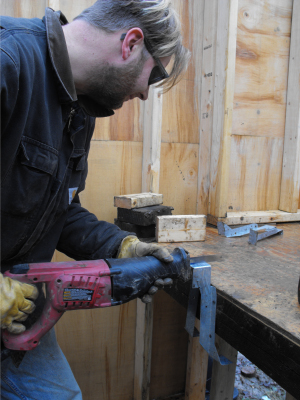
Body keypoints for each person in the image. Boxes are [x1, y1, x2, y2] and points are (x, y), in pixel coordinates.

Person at [0, 0, 190, 398]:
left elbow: (57, 209)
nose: (143, 94)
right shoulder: (8, 61)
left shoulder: (80, 108)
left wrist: (120, 246)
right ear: (131, 43)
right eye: (153, 77)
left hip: (16, 310)